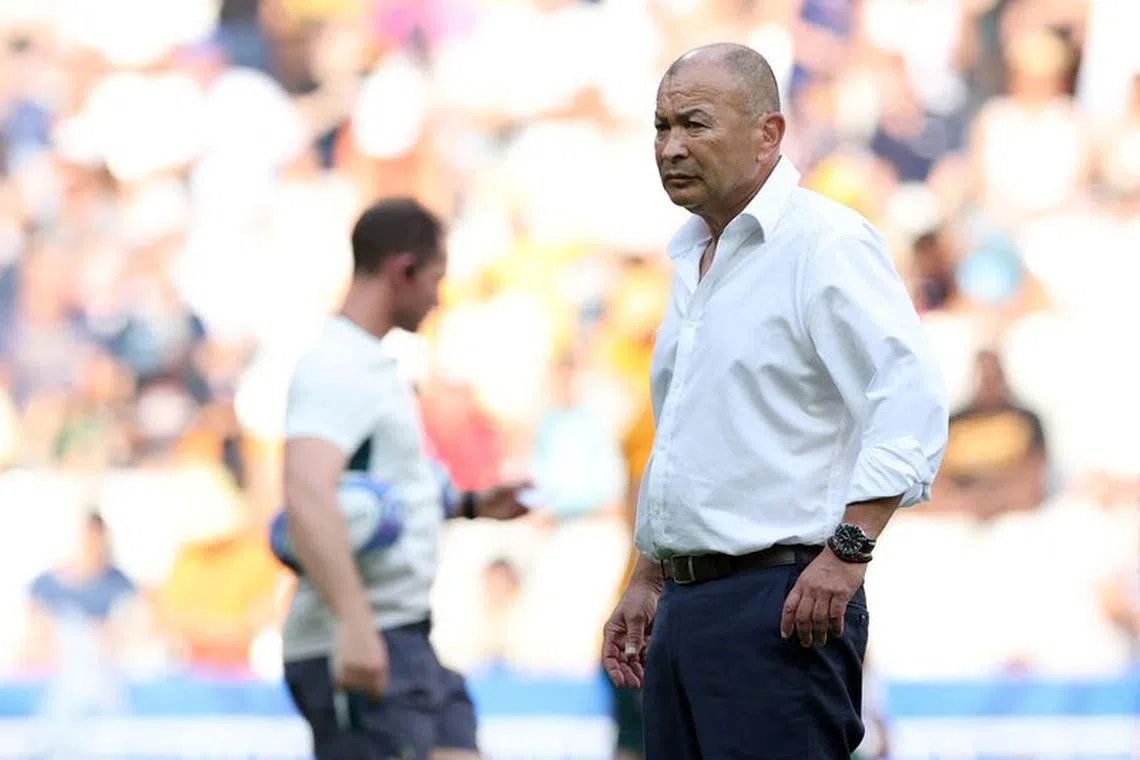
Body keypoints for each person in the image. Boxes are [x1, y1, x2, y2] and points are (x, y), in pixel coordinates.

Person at [601, 44, 949, 760]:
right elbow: (686, 442)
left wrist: (848, 554)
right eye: (661, 127)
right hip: (687, 607)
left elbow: (909, 402)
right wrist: (647, 575)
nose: (671, 147)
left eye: (694, 124)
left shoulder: (825, 243)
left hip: (784, 605)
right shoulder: (692, 260)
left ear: (769, 133)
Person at [281, 198, 531, 760]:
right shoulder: (337, 364)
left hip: (405, 635)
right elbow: (306, 494)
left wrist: (469, 504)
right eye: (436, 279)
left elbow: (372, 495)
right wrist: (353, 623)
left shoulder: (372, 364)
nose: (439, 297)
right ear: (402, 269)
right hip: (364, 637)